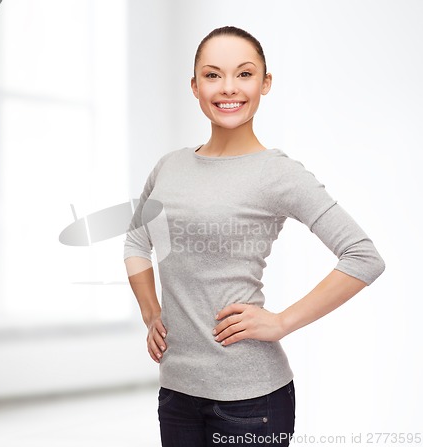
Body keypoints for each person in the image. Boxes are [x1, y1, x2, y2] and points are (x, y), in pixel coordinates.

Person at [123, 26, 385, 447]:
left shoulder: (277, 173)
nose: (228, 88)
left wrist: (281, 323)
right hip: (176, 390)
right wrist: (151, 311)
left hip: (251, 401)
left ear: (265, 83)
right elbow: (137, 241)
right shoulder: (168, 167)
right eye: (212, 75)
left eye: (244, 74)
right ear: (194, 86)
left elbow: (363, 256)